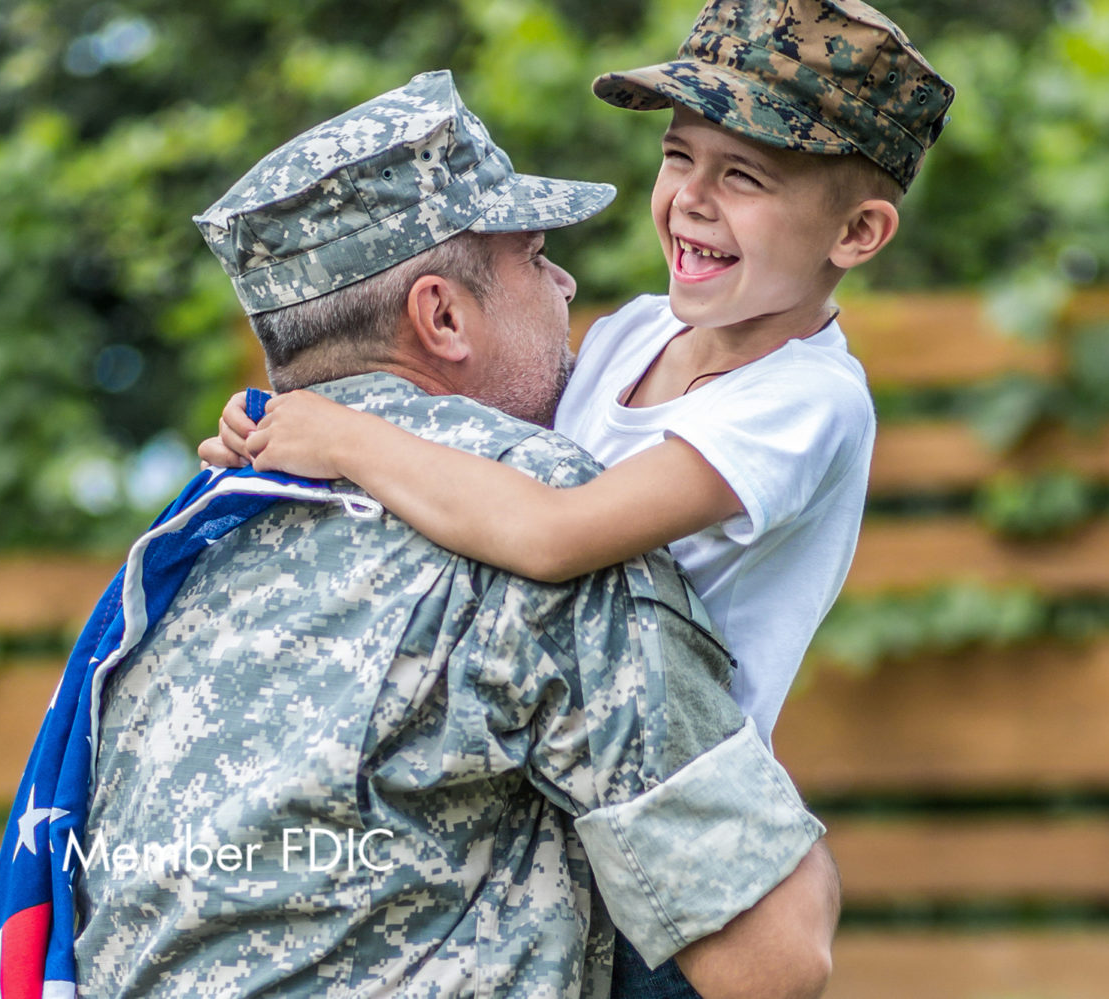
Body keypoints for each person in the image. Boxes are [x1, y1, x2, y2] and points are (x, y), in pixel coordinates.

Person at [22, 69, 839, 999]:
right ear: (442, 316)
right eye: (535, 256)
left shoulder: (194, 539)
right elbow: (774, 963)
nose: (570, 283)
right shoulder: (528, 509)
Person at [203, 0, 952, 755]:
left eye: (744, 177)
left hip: (654, 781)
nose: (691, 197)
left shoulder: (804, 401)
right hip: (547, 727)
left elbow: (555, 533)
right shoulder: (638, 330)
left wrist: (345, 438)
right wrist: (280, 426)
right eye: (679, 156)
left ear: (857, 232)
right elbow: (474, 451)